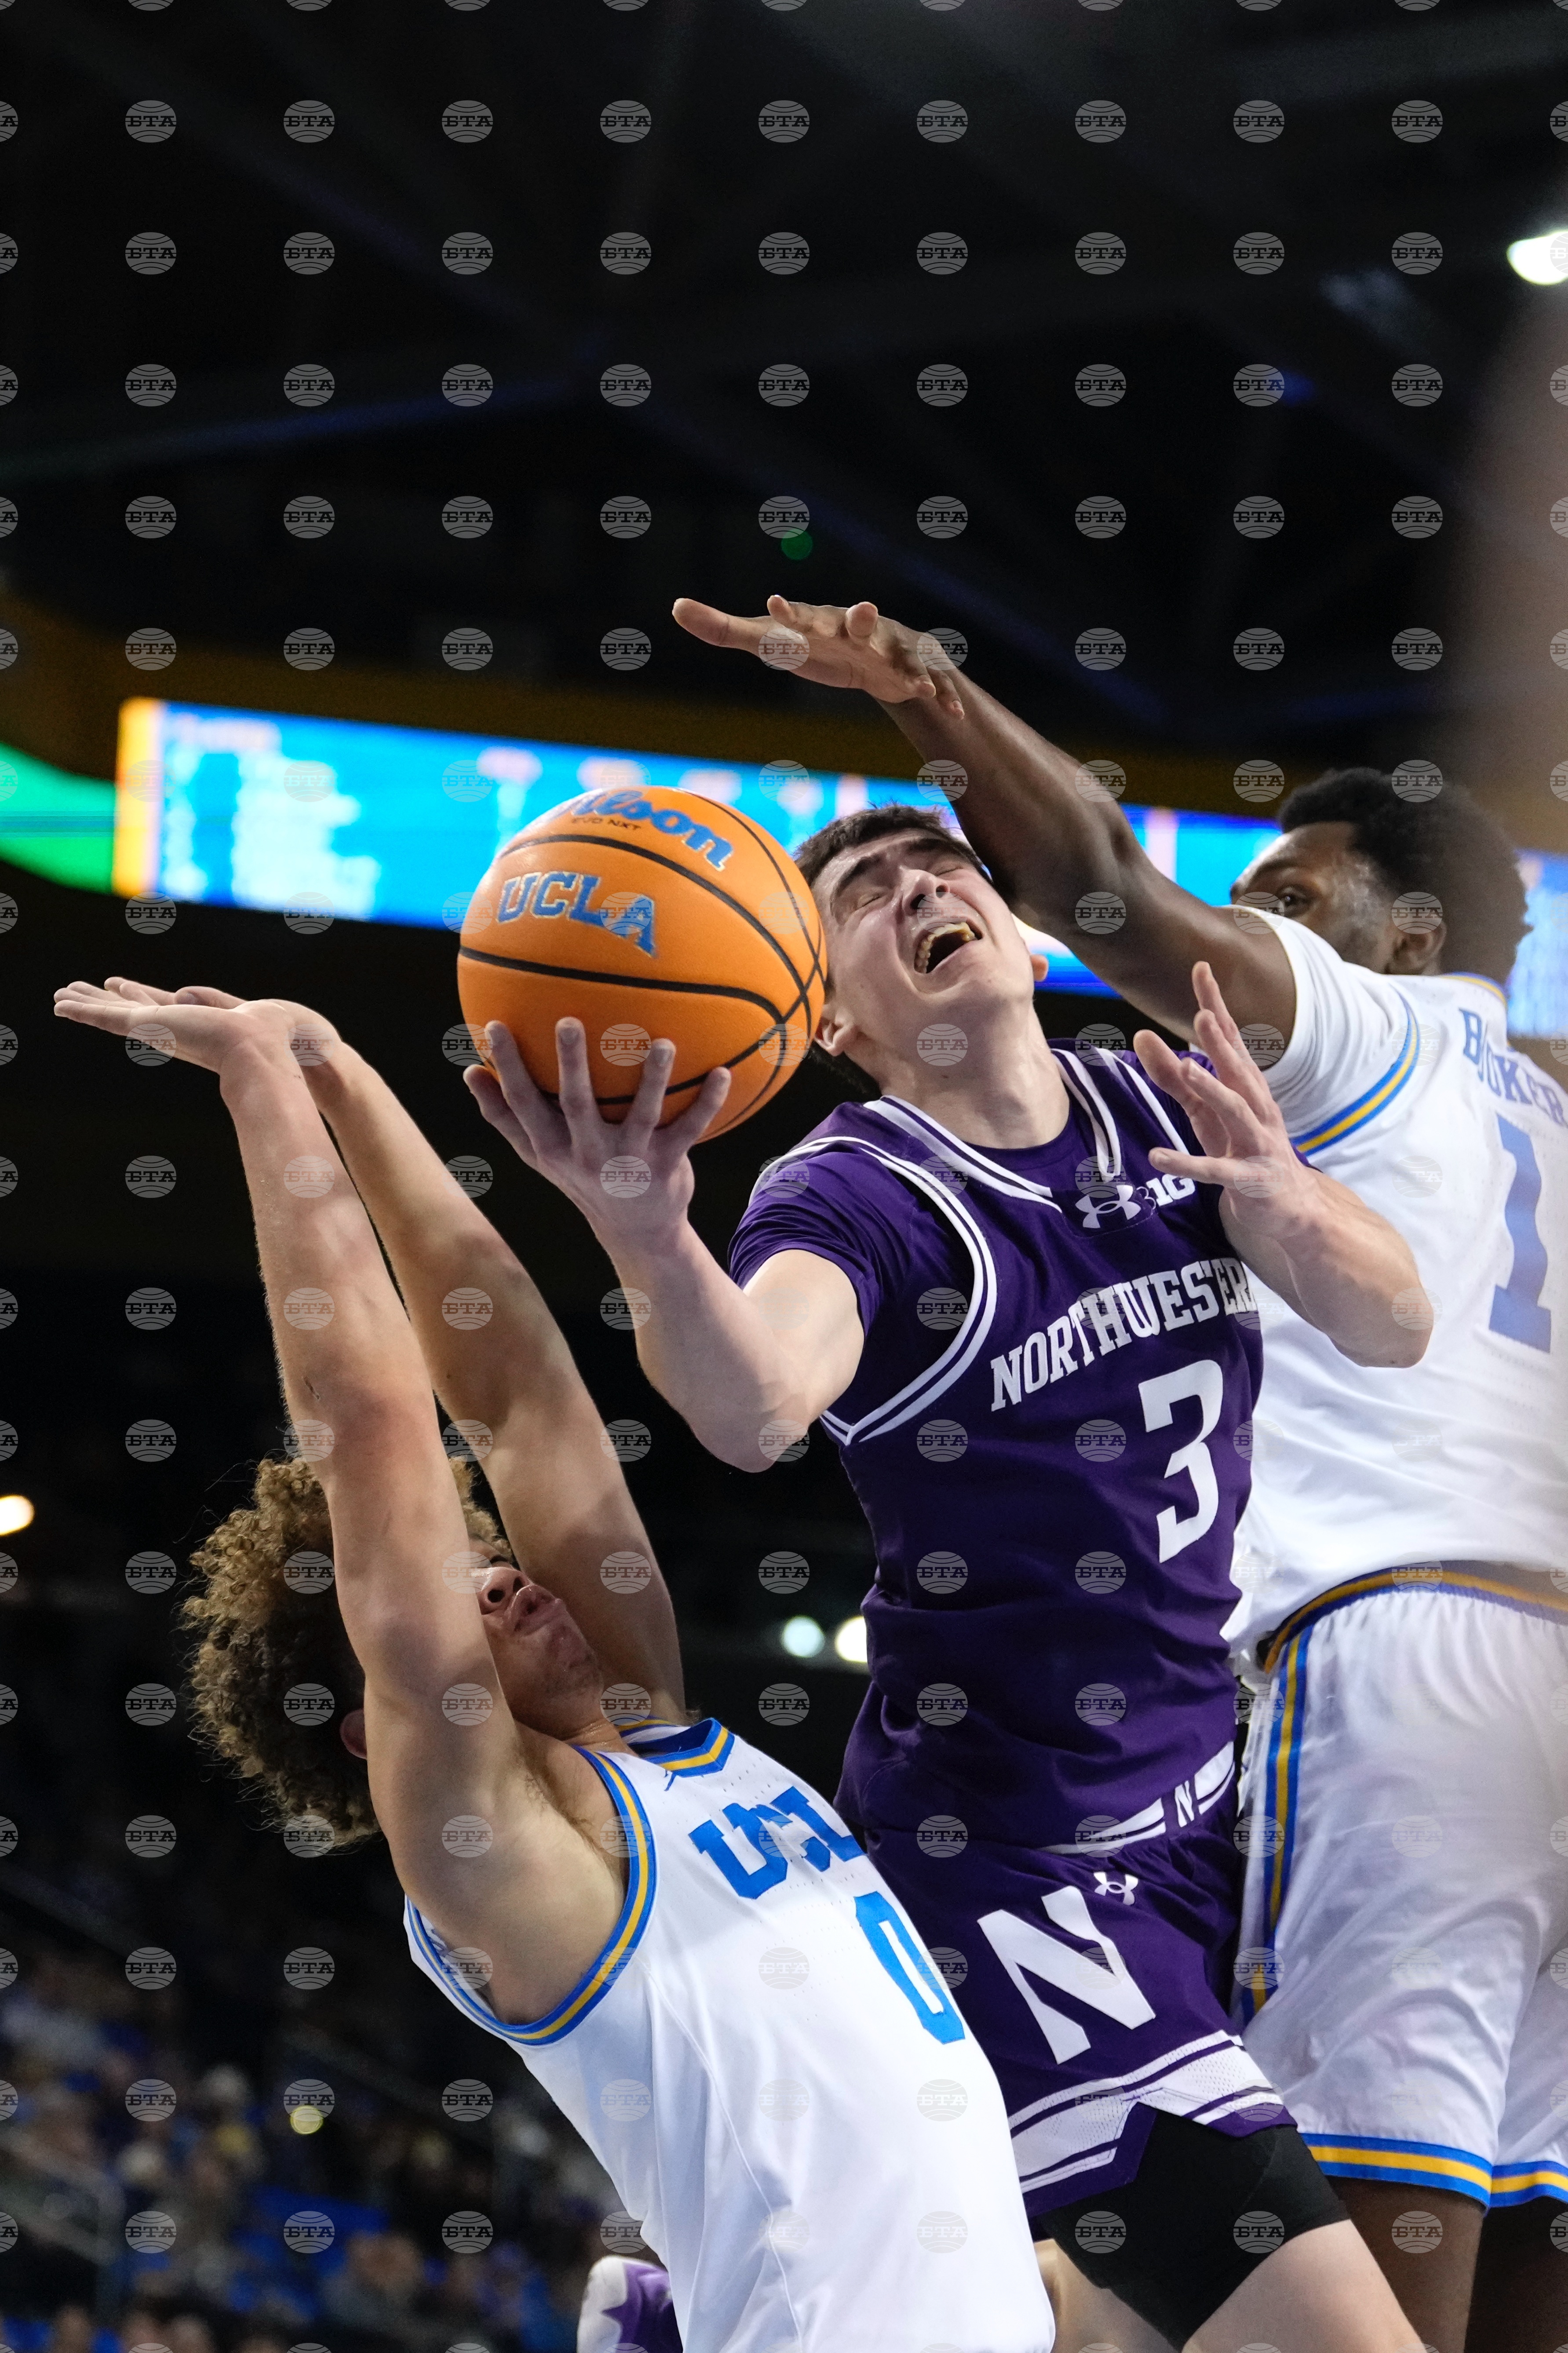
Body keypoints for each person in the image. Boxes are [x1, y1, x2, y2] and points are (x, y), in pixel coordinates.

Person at [672, 591, 1568, 2353]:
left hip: (1403, 1662)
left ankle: (824, 2295)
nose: (1244, 928)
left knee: (1353, 2274)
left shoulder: (1354, 1033)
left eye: (1287, 902)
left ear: (1406, 934)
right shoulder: (1545, 1106)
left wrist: (928, 689)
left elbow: (1093, 880)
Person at [463, 773, 1431, 2352]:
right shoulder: (857, 1191)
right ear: (823, 1017)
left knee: (1123, 2324)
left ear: (1018, 927)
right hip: (1015, 1868)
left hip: (1210, 1817)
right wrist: (645, 1230)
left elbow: (1397, 1321)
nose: (921, 891)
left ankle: (672, 2311)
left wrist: (1289, 1205)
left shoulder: (1160, 1102)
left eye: (940, 865)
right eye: (866, 897)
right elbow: (756, 1402)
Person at [52, 974, 1055, 2353]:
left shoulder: (644, 1730)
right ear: (378, 1720)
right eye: (457, 1589)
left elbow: (514, 1387)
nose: (506, 1573)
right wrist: (258, 1087)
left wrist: (338, 1057)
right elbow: (375, 1427)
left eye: (486, 1556)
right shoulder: (505, 1850)